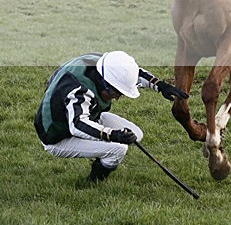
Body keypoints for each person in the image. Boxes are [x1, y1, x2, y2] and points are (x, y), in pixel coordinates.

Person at [34, 51, 189, 183]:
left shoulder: (102, 64)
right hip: (56, 136)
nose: (117, 98)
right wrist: (112, 135)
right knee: (118, 149)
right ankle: (93, 182)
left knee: (136, 135)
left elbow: (131, 73)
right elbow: (77, 125)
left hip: (83, 116)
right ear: (104, 83)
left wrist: (160, 85)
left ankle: (100, 155)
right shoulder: (78, 90)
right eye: (115, 93)